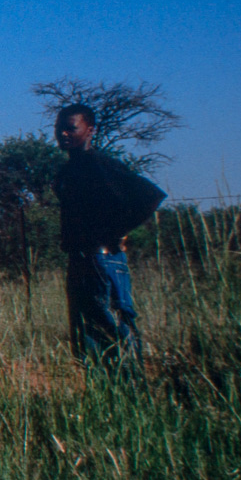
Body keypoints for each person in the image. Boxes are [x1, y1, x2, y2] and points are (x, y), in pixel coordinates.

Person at [54, 103, 165, 373]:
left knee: (114, 329)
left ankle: (130, 396)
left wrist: (116, 231)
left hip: (103, 259)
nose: (64, 134)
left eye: (71, 128)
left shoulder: (99, 164)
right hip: (80, 259)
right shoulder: (68, 170)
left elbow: (150, 196)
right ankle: (104, 401)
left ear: (90, 130)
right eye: (60, 129)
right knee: (87, 336)